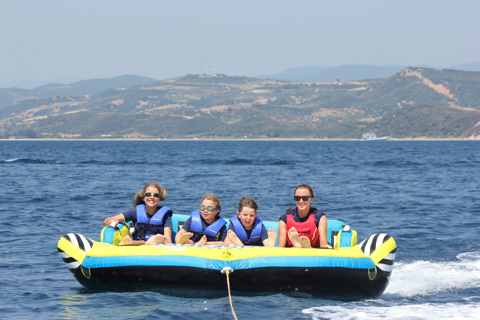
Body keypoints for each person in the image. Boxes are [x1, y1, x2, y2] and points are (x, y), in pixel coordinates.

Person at [103, 181, 173, 245]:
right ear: (143, 198)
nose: (152, 197)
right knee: (142, 242)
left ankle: (151, 241)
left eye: (156, 195)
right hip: (140, 245)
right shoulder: (135, 213)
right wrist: (111, 221)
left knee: (161, 238)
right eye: (148, 194)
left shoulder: (165, 215)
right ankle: (131, 242)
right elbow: (107, 220)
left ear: (159, 199)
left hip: (158, 245)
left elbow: (167, 238)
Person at [278, 184, 332, 248]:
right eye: (297, 198)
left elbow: (323, 245)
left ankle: (303, 247)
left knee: (326, 246)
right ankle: (298, 246)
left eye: (305, 198)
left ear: (312, 199)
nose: (301, 201)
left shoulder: (319, 218)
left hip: (314, 252)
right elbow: (281, 248)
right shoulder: (284, 219)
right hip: (292, 254)